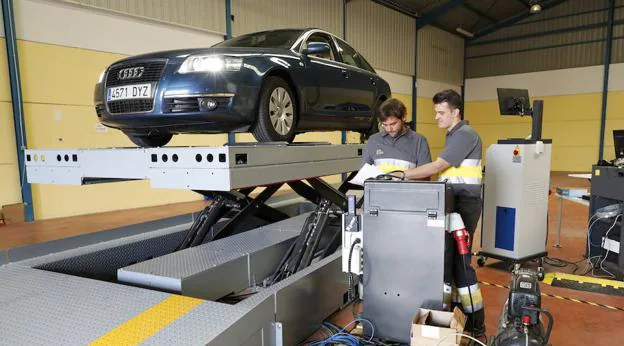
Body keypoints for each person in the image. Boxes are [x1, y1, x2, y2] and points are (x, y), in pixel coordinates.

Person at [395, 89, 486, 339]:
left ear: (456, 112)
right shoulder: (454, 135)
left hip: (464, 204)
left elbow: (438, 166)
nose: (436, 117)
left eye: (441, 112)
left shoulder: (465, 134)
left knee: (460, 264)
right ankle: (457, 315)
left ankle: (477, 323)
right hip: (453, 202)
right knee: (447, 261)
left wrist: (401, 174)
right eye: (436, 112)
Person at [362, 98, 432, 174]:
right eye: (385, 125)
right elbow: (364, 173)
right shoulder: (373, 140)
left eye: (393, 124)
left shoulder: (419, 141)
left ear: (403, 118)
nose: (389, 129)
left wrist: (402, 176)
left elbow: (425, 175)